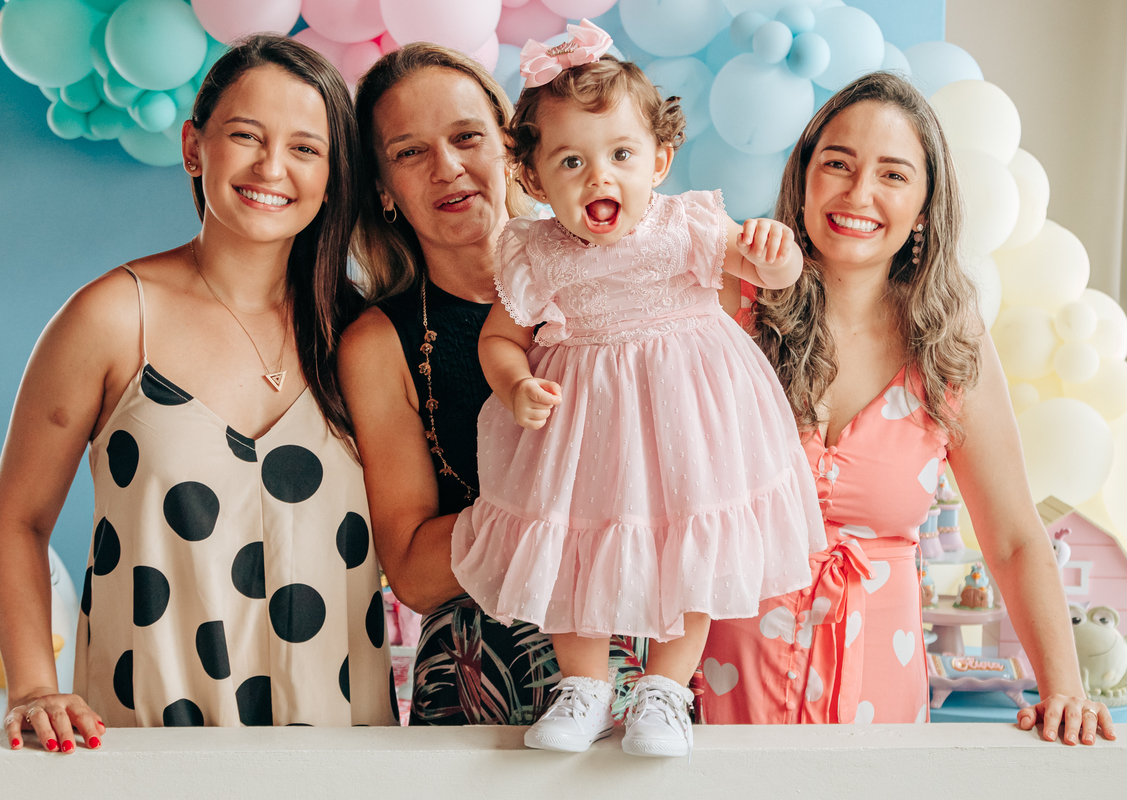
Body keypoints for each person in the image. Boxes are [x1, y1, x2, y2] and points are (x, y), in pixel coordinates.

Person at [0, 35, 396, 748]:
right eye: (246, 136)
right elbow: (15, 519)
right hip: (146, 746)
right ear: (194, 147)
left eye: (306, 148)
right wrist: (32, 687)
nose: (271, 168)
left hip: (342, 753)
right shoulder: (113, 316)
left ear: (336, 174)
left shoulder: (366, 339)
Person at [699, 71, 1117, 746]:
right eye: (837, 164)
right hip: (721, 683)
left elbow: (1011, 538)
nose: (858, 194)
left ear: (924, 205)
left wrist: (1065, 688)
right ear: (803, 177)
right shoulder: (732, 304)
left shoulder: (950, 343)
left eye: (892, 175)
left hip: (879, 698)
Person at [449, 22, 824, 758]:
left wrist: (777, 259)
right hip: (582, 429)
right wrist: (515, 379)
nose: (600, 178)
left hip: (688, 419)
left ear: (659, 159)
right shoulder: (536, 251)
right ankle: (583, 682)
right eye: (571, 161)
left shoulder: (688, 225)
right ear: (532, 179)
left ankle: (664, 688)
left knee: (687, 542)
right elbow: (499, 336)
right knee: (572, 540)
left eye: (621, 155)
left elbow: (769, 275)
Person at [341, 43, 647, 728]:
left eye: (466, 137)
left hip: (637, 667)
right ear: (383, 188)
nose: (447, 168)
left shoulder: (626, 277)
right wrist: (563, 502)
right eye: (410, 152)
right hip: (478, 678)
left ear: (513, 149)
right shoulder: (379, 342)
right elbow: (416, 573)